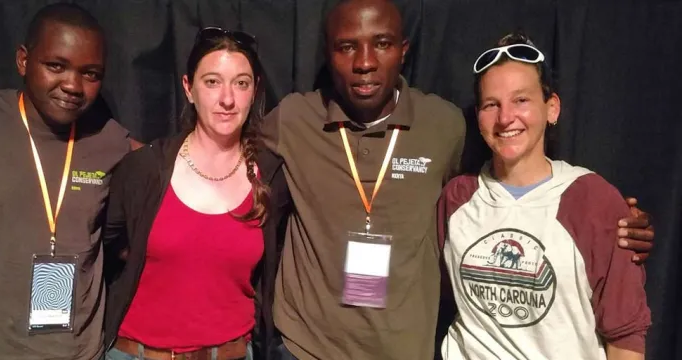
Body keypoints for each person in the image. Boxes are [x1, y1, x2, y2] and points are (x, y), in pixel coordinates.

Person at [260, 0, 655, 359]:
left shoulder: (443, 125)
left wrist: (617, 229)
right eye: (347, 46)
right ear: (328, 53)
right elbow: (229, 164)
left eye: (381, 43)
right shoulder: (295, 119)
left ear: (403, 50)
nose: (365, 61)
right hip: (304, 349)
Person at [0, 4, 130, 360]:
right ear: (23, 60)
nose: (72, 85)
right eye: (56, 66)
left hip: (82, 352)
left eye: (90, 74)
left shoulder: (110, 139)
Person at [437, 32, 650, 360]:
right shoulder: (458, 197)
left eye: (521, 100)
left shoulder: (592, 199)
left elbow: (626, 339)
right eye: (491, 104)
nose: (505, 118)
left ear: (552, 108)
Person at [101, 27, 290, 360]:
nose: (228, 99)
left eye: (241, 83)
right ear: (188, 88)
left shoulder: (271, 176)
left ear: (255, 90)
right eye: (212, 82)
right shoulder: (144, 169)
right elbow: (106, 253)